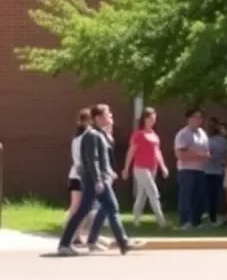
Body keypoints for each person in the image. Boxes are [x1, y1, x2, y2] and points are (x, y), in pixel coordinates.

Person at [58, 103, 132, 256]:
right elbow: (93, 160)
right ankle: (123, 242)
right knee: (112, 207)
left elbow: (102, 158)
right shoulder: (92, 135)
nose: (110, 115)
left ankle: (64, 244)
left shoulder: (99, 134)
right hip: (95, 179)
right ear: (98, 118)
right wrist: (99, 179)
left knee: (84, 210)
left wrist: (108, 172)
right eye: (107, 114)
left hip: (96, 178)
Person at [123, 106, 168, 228]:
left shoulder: (154, 135)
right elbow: (131, 152)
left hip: (152, 167)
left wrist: (163, 166)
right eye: (151, 118)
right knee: (153, 192)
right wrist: (126, 168)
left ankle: (136, 221)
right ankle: (161, 221)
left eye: (155, 119)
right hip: (140, 168)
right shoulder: (138, 135)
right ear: (145, 119)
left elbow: (157, 152)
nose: (153, 121)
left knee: (142, 195)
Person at [173, 108, 210, 230]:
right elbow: (181, 154)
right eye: (195, 117)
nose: (198, 120)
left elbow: (207, 152)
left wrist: (197, 153)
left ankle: (197, 221)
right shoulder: (183, 134)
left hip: (200, 170)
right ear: (189, 119)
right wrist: (198, 155)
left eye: (200, 118)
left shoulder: (203, 134)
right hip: (186, 170)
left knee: (199, 196)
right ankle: (185, 221)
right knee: (186, 195)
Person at [65, 108, 95, 248]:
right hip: (78, 176)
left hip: (76, 175)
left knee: (77, 206)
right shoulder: (83, 138)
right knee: (77, 206)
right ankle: (73, 234)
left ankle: (75, 233)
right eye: (88, 120)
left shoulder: (78, 138)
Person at [205, 117, 227, 227]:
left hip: (217, 171)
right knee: (211, 195)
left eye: (213, 125)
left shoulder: (221, 140)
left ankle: (220, 216)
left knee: (217, 195)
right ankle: (212, 217)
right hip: (208, 171)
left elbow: (226, 154)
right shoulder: (206, 139)